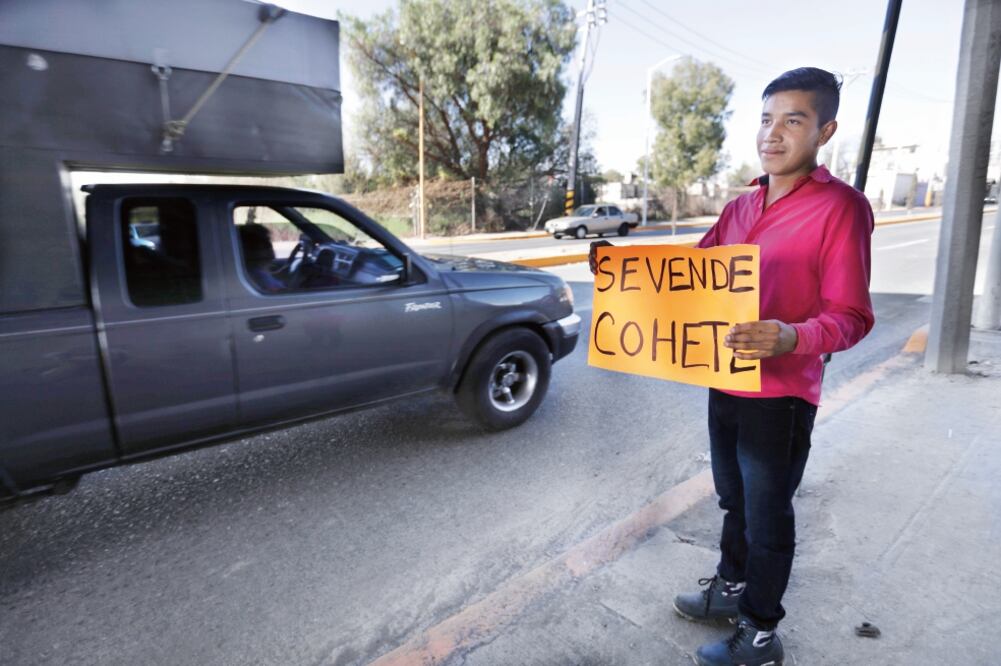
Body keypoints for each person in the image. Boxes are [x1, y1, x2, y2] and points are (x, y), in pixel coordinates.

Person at [589, 67, 875, 666]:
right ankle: (731, 586)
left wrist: (791, 336)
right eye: (767, 119)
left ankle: (761, 632)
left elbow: (852, 316)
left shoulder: (841, 208)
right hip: (725, 379)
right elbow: (692, 279)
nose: (773, 133)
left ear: (825, 131)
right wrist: (622, 271)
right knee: (733, 499)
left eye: (793, 120)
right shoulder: (739, 207)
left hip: (782, 394)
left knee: (768, 515)